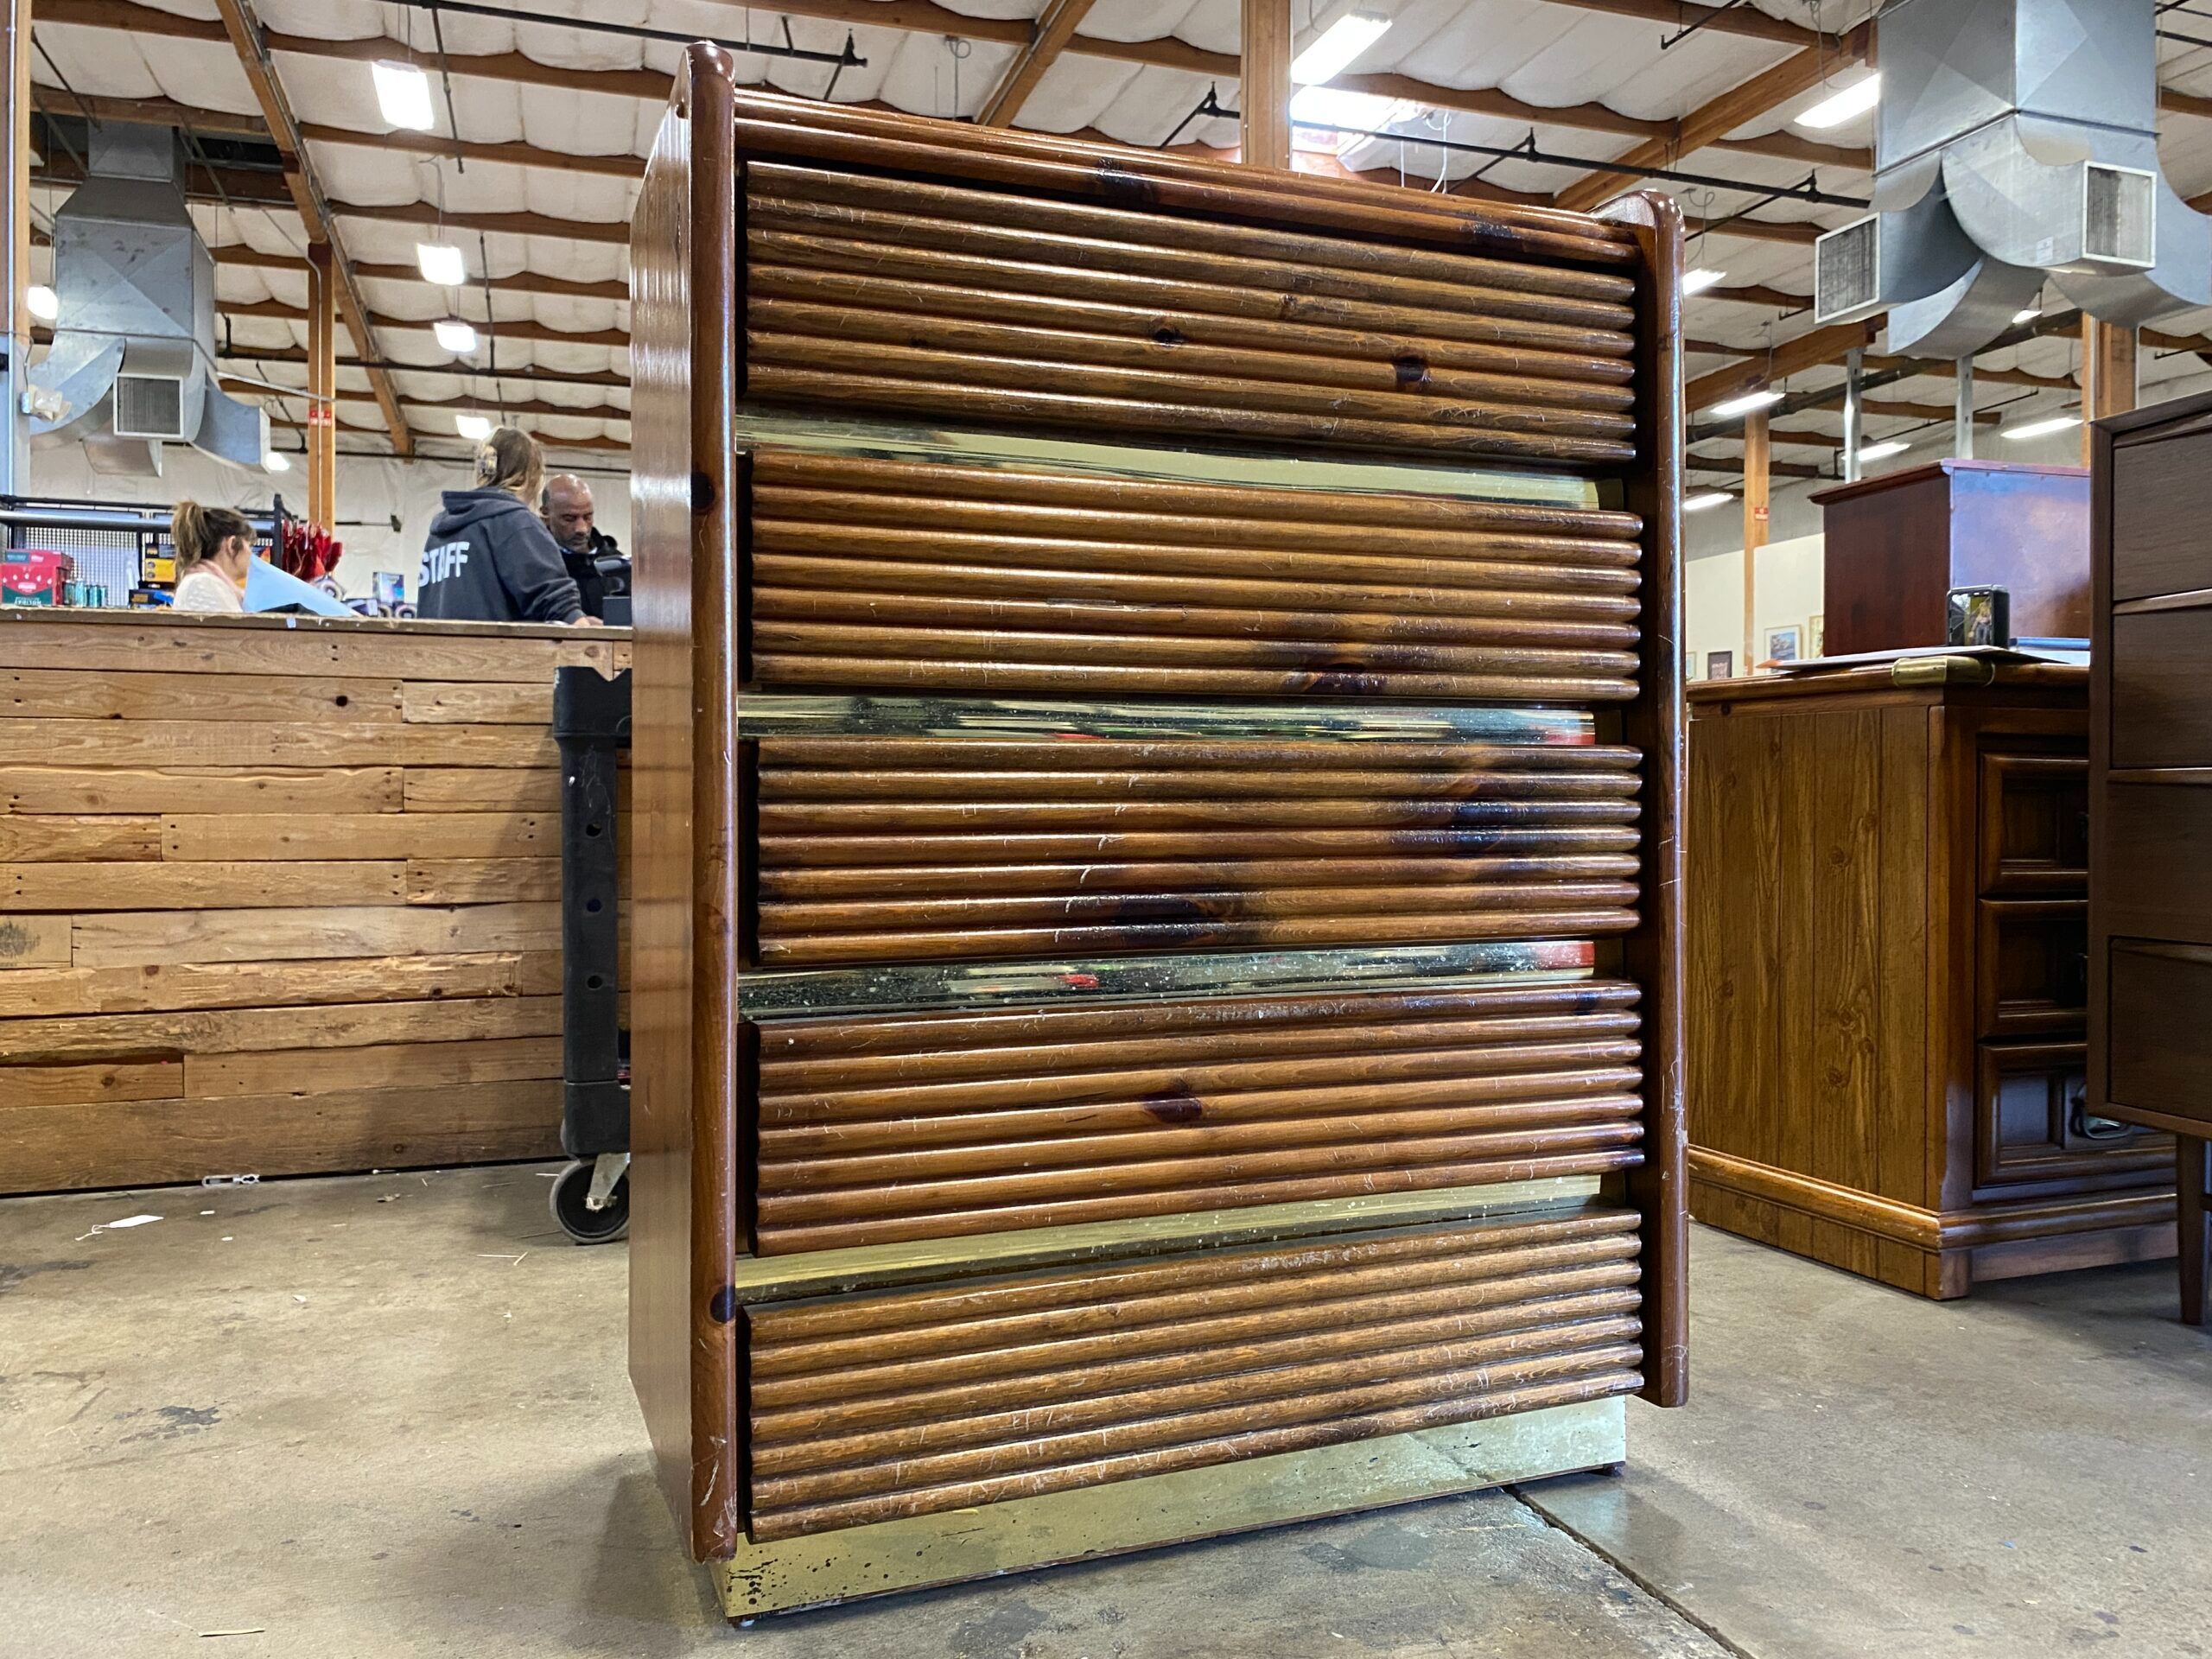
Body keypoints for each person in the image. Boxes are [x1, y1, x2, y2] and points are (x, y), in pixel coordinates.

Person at [417, 427, 600, 626]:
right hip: (497, 655)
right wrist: (579, 623)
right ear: (532, 475)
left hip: (438, 653)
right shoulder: (516, 523)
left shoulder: (440, 533)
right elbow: (556, 602)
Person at [540, 473, 629, 621]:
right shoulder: (537, 566)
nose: (581, 529)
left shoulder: (618, 567)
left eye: (587, 517)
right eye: (569, 519)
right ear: (545, 514)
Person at [169, 500, 255, 612]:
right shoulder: (202, 585)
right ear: (232, 545)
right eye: (249, 545)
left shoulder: (212, 584)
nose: (251, 554)